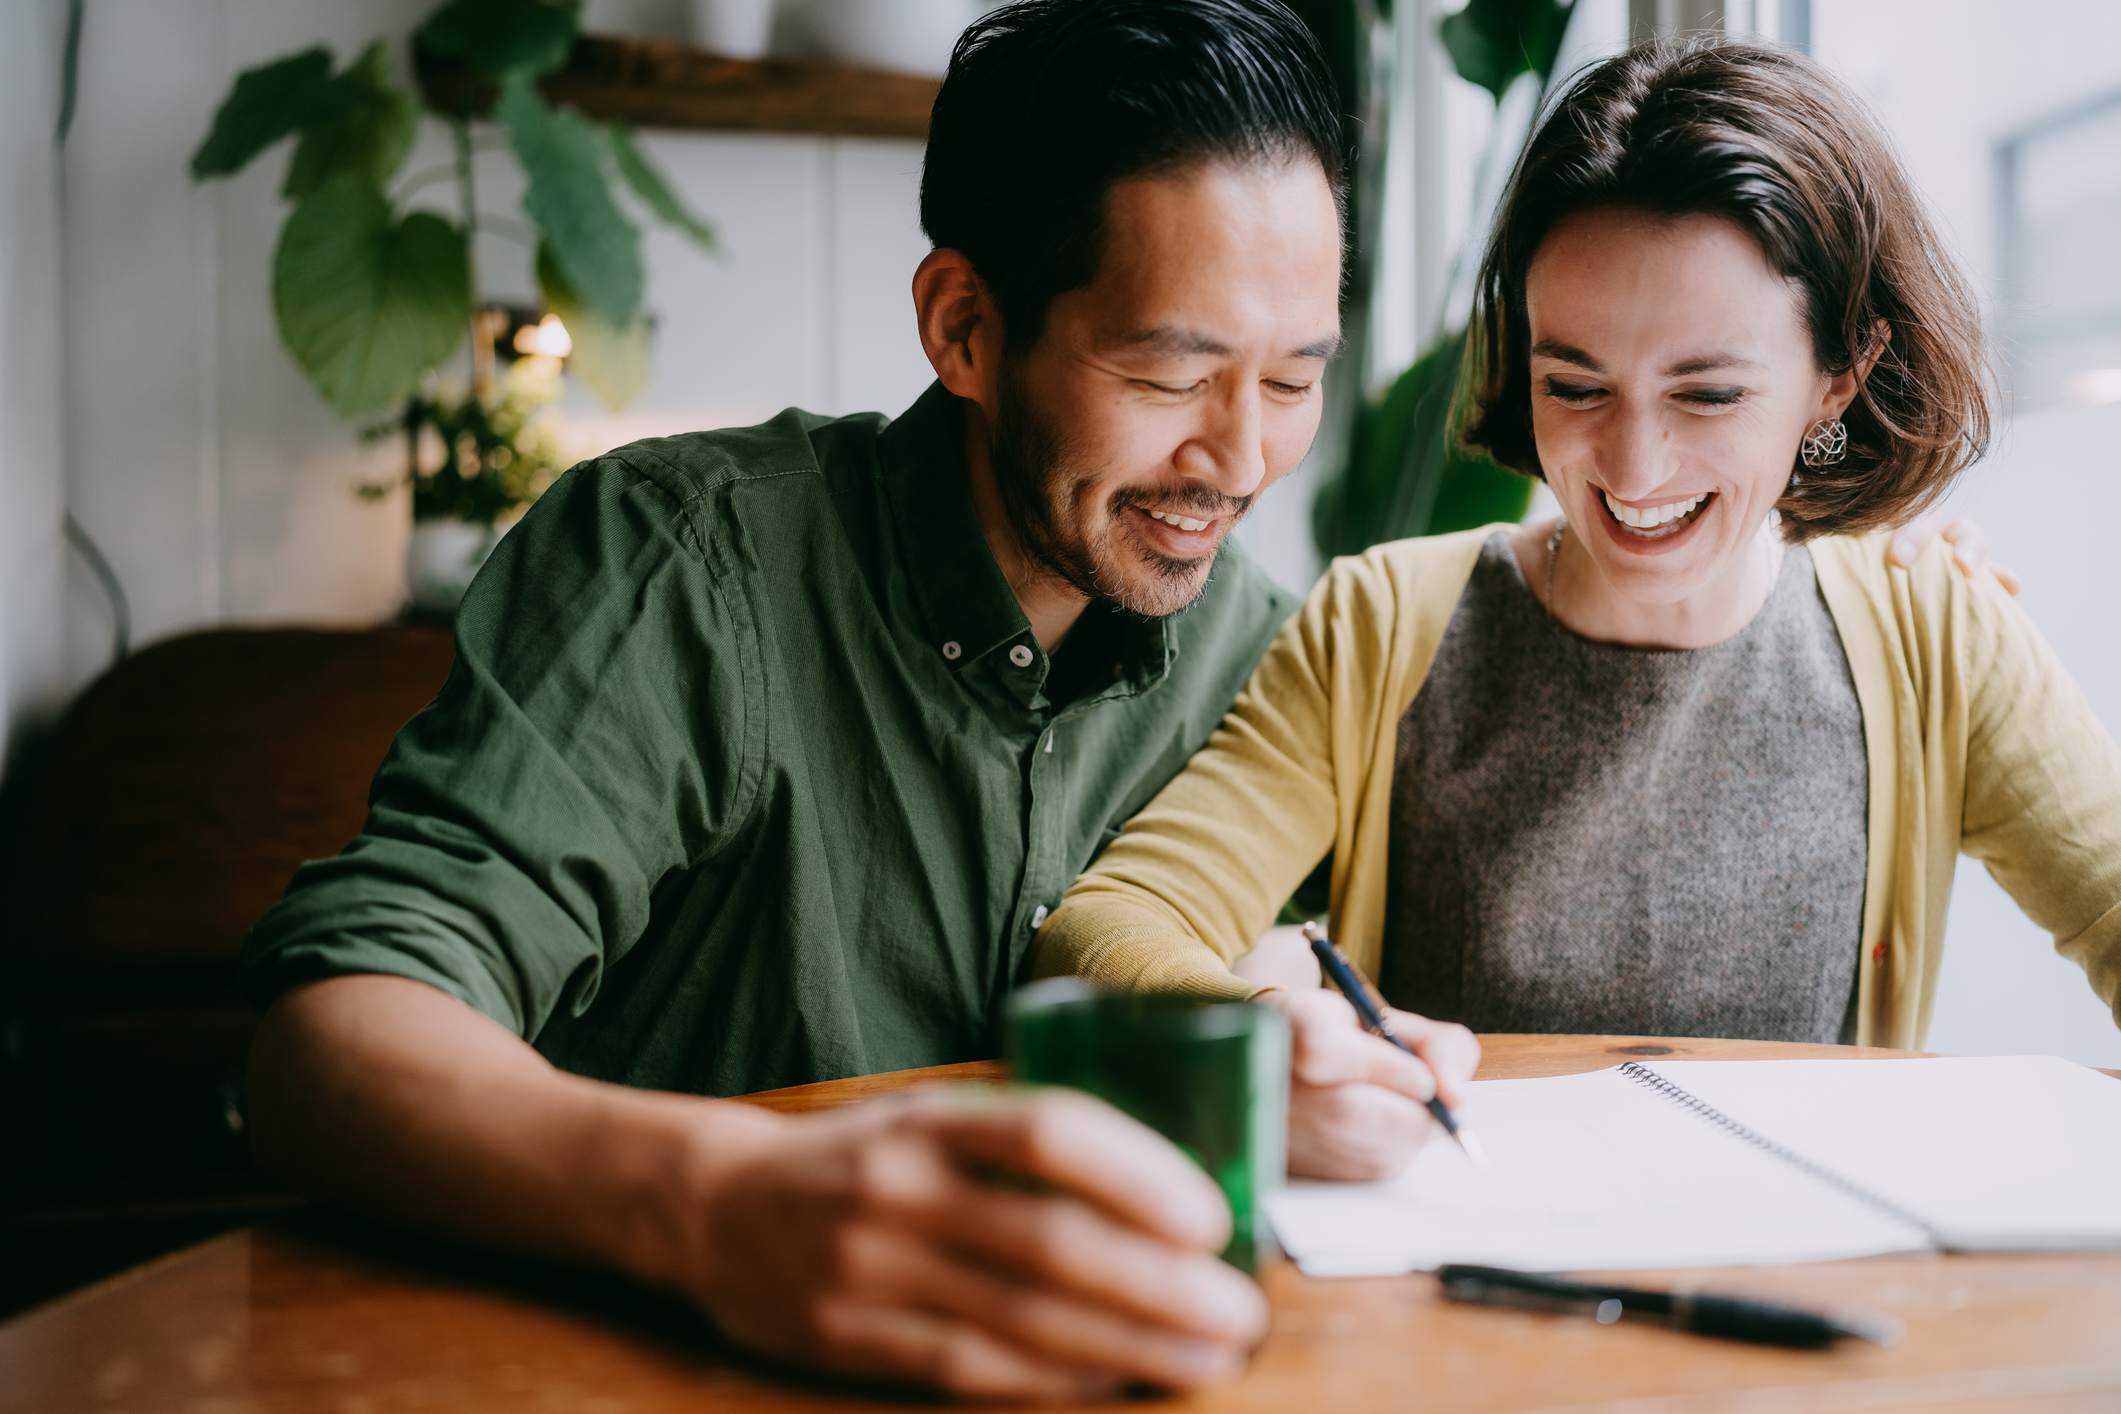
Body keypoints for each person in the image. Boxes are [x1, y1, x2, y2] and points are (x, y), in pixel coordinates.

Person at [236, 1, 1487, 1400]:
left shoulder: (1255, 646)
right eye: (1168, 373)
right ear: (963, 326)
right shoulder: (685, 567)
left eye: (1293, 379)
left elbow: (1255, 968)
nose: (1240, 458)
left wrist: (1292, 1047)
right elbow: (332, 1027)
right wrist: (718, 1203)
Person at [1034, 40, 2121, 1074]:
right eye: (1575, 385)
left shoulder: (1937, 633)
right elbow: (1109, 927)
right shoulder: (1379, 627)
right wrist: (1278, 1040)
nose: (1634, 468)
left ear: (1839, 373)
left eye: (1708, 393)